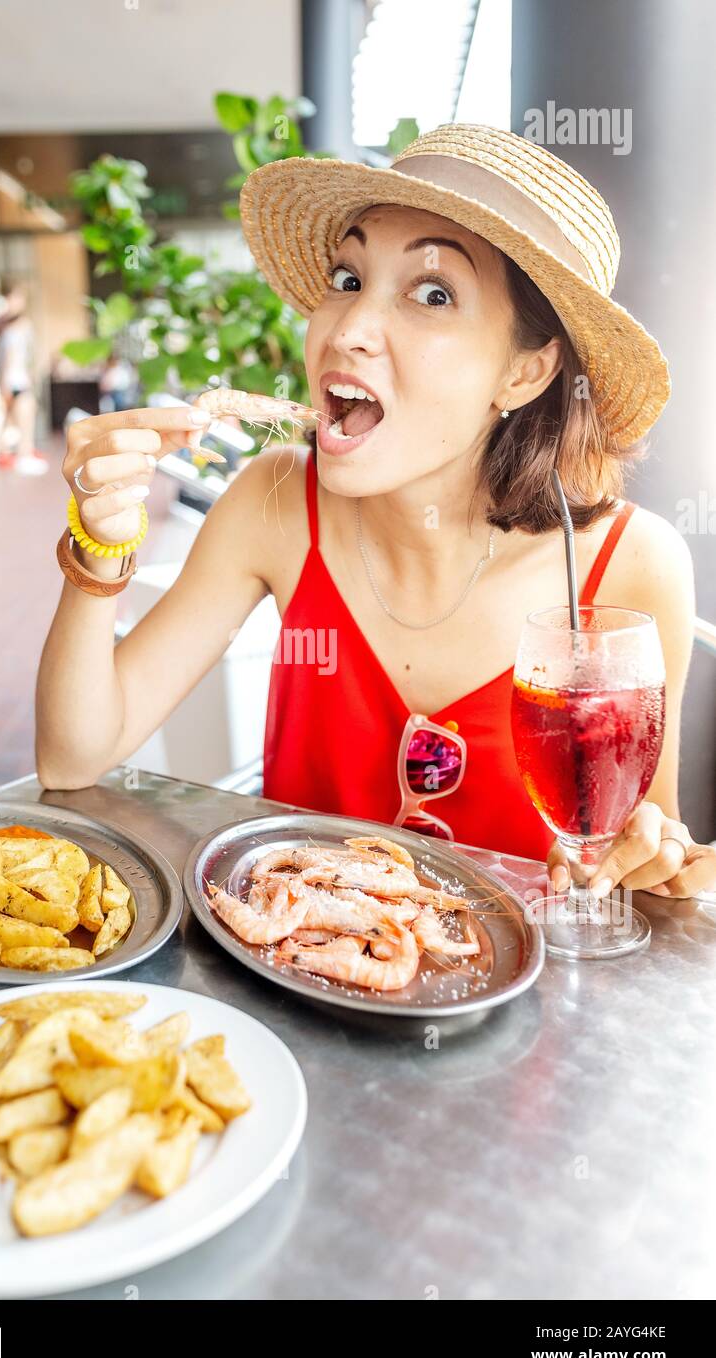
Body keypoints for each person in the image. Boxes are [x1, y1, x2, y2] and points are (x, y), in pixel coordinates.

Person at [35, 124, 715, 900]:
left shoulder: (633, 565)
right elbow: (72, 759)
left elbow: (638, 863)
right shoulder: (274, 503)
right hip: (291, 995)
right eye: (348, 278)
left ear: (525, 371)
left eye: (433, 294)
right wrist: (98, 546)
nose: (348, 331)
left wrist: (663, 862)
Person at [0, 281, 46, 475]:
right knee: (22, 416)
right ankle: (22, 454)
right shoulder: (6, 325)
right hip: (13, 380)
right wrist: (3, 381)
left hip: (18, 378)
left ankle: (4, 450)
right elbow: (7, 356)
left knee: (14, 418)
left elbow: (30, 354)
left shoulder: (20, 323)